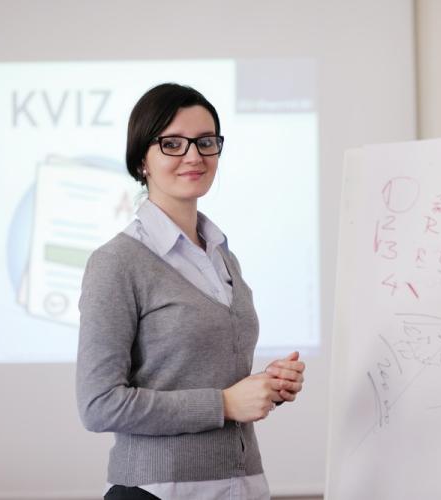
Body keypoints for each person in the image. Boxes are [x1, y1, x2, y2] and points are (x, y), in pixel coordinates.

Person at [76, 83, 305, 500]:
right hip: (160, 489)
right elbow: (99, 404)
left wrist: (266, 386)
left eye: (205, 142)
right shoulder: (116, 262)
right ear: (142, 159)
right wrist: (224, 404)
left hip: (242, 484)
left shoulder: (220, 253)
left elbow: (209, 377)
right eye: (172, 144)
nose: (194, 156)